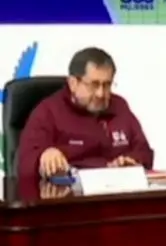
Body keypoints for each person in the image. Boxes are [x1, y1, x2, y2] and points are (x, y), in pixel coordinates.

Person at [16, 47, 154, 201]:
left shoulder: (119, 106)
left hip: (116, 200)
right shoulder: (48, 112)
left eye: (107, 85)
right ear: (73, 83)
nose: (101, 94)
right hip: (69, 205)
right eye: (94, 85)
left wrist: (131, 161)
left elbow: (144, 152)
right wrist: (44, 156)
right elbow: (24, 164)